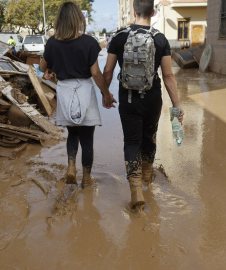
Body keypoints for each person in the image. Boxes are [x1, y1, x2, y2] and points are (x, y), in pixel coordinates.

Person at [103, 0, 184, 216]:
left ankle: (136, 190)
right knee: (149, 137)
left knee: (131, 142)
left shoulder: (119, 37)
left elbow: (108, 71)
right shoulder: (160, 38)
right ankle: (147, 179)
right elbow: (168, 75)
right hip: (152, 98)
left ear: (133, 11)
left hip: (128, 98)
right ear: (153, 12)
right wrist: (177, 106)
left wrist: (106, 94)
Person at [39, 2, 117, 188]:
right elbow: (96, 74)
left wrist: (50, 62)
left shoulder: (52, 43)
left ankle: (71, 166)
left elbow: (43, 68)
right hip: (84, 89)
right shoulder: (89, 42)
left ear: (60, 21)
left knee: (72, 133)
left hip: (64, 90)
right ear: (78, 19)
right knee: (87, 137)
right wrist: (106, 93)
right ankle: (87, 179)